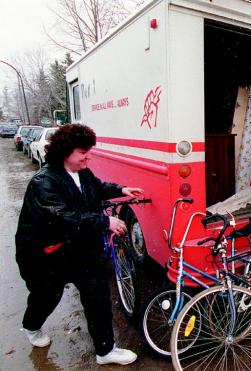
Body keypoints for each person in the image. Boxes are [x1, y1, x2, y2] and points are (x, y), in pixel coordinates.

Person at [15, 124, 144, 365]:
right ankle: (32, 326)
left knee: (98, 296)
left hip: (82, 249)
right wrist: (105, 221)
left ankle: (105, 351)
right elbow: (64, 216)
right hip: (48, 254)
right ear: (66, 152)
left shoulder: (83, 173)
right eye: (83, 151)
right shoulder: (43, 183)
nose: (89, 156)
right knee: (46, 296)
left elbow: (97, 188)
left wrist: (121, 189)